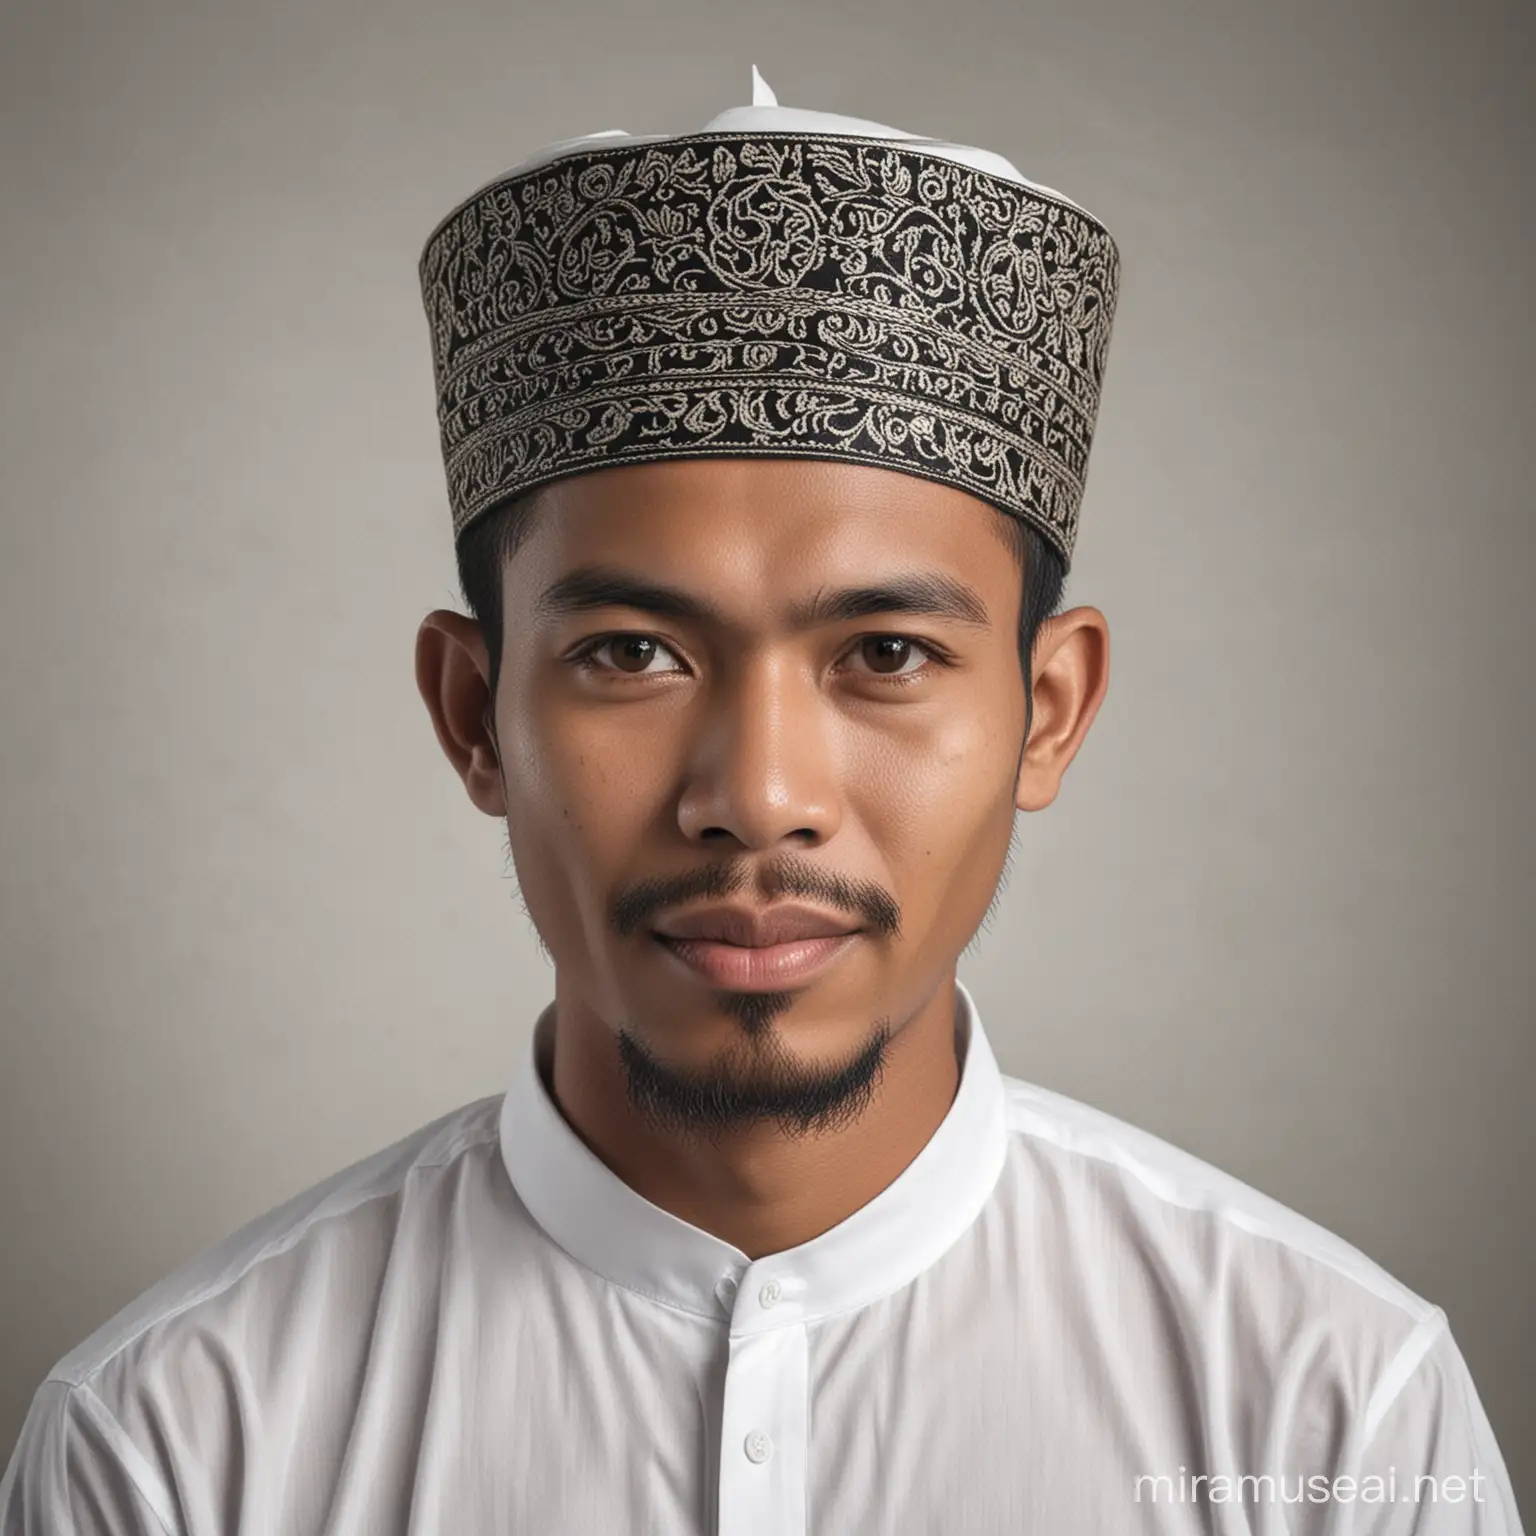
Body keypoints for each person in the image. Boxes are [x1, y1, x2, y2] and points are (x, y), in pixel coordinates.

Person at [2, 66, 1522, 1536]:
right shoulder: (176, 1448)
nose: (761, 798)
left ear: (1045, 713)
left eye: (884, 653)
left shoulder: (1335, 1421)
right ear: (475, 713)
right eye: (634, 652)